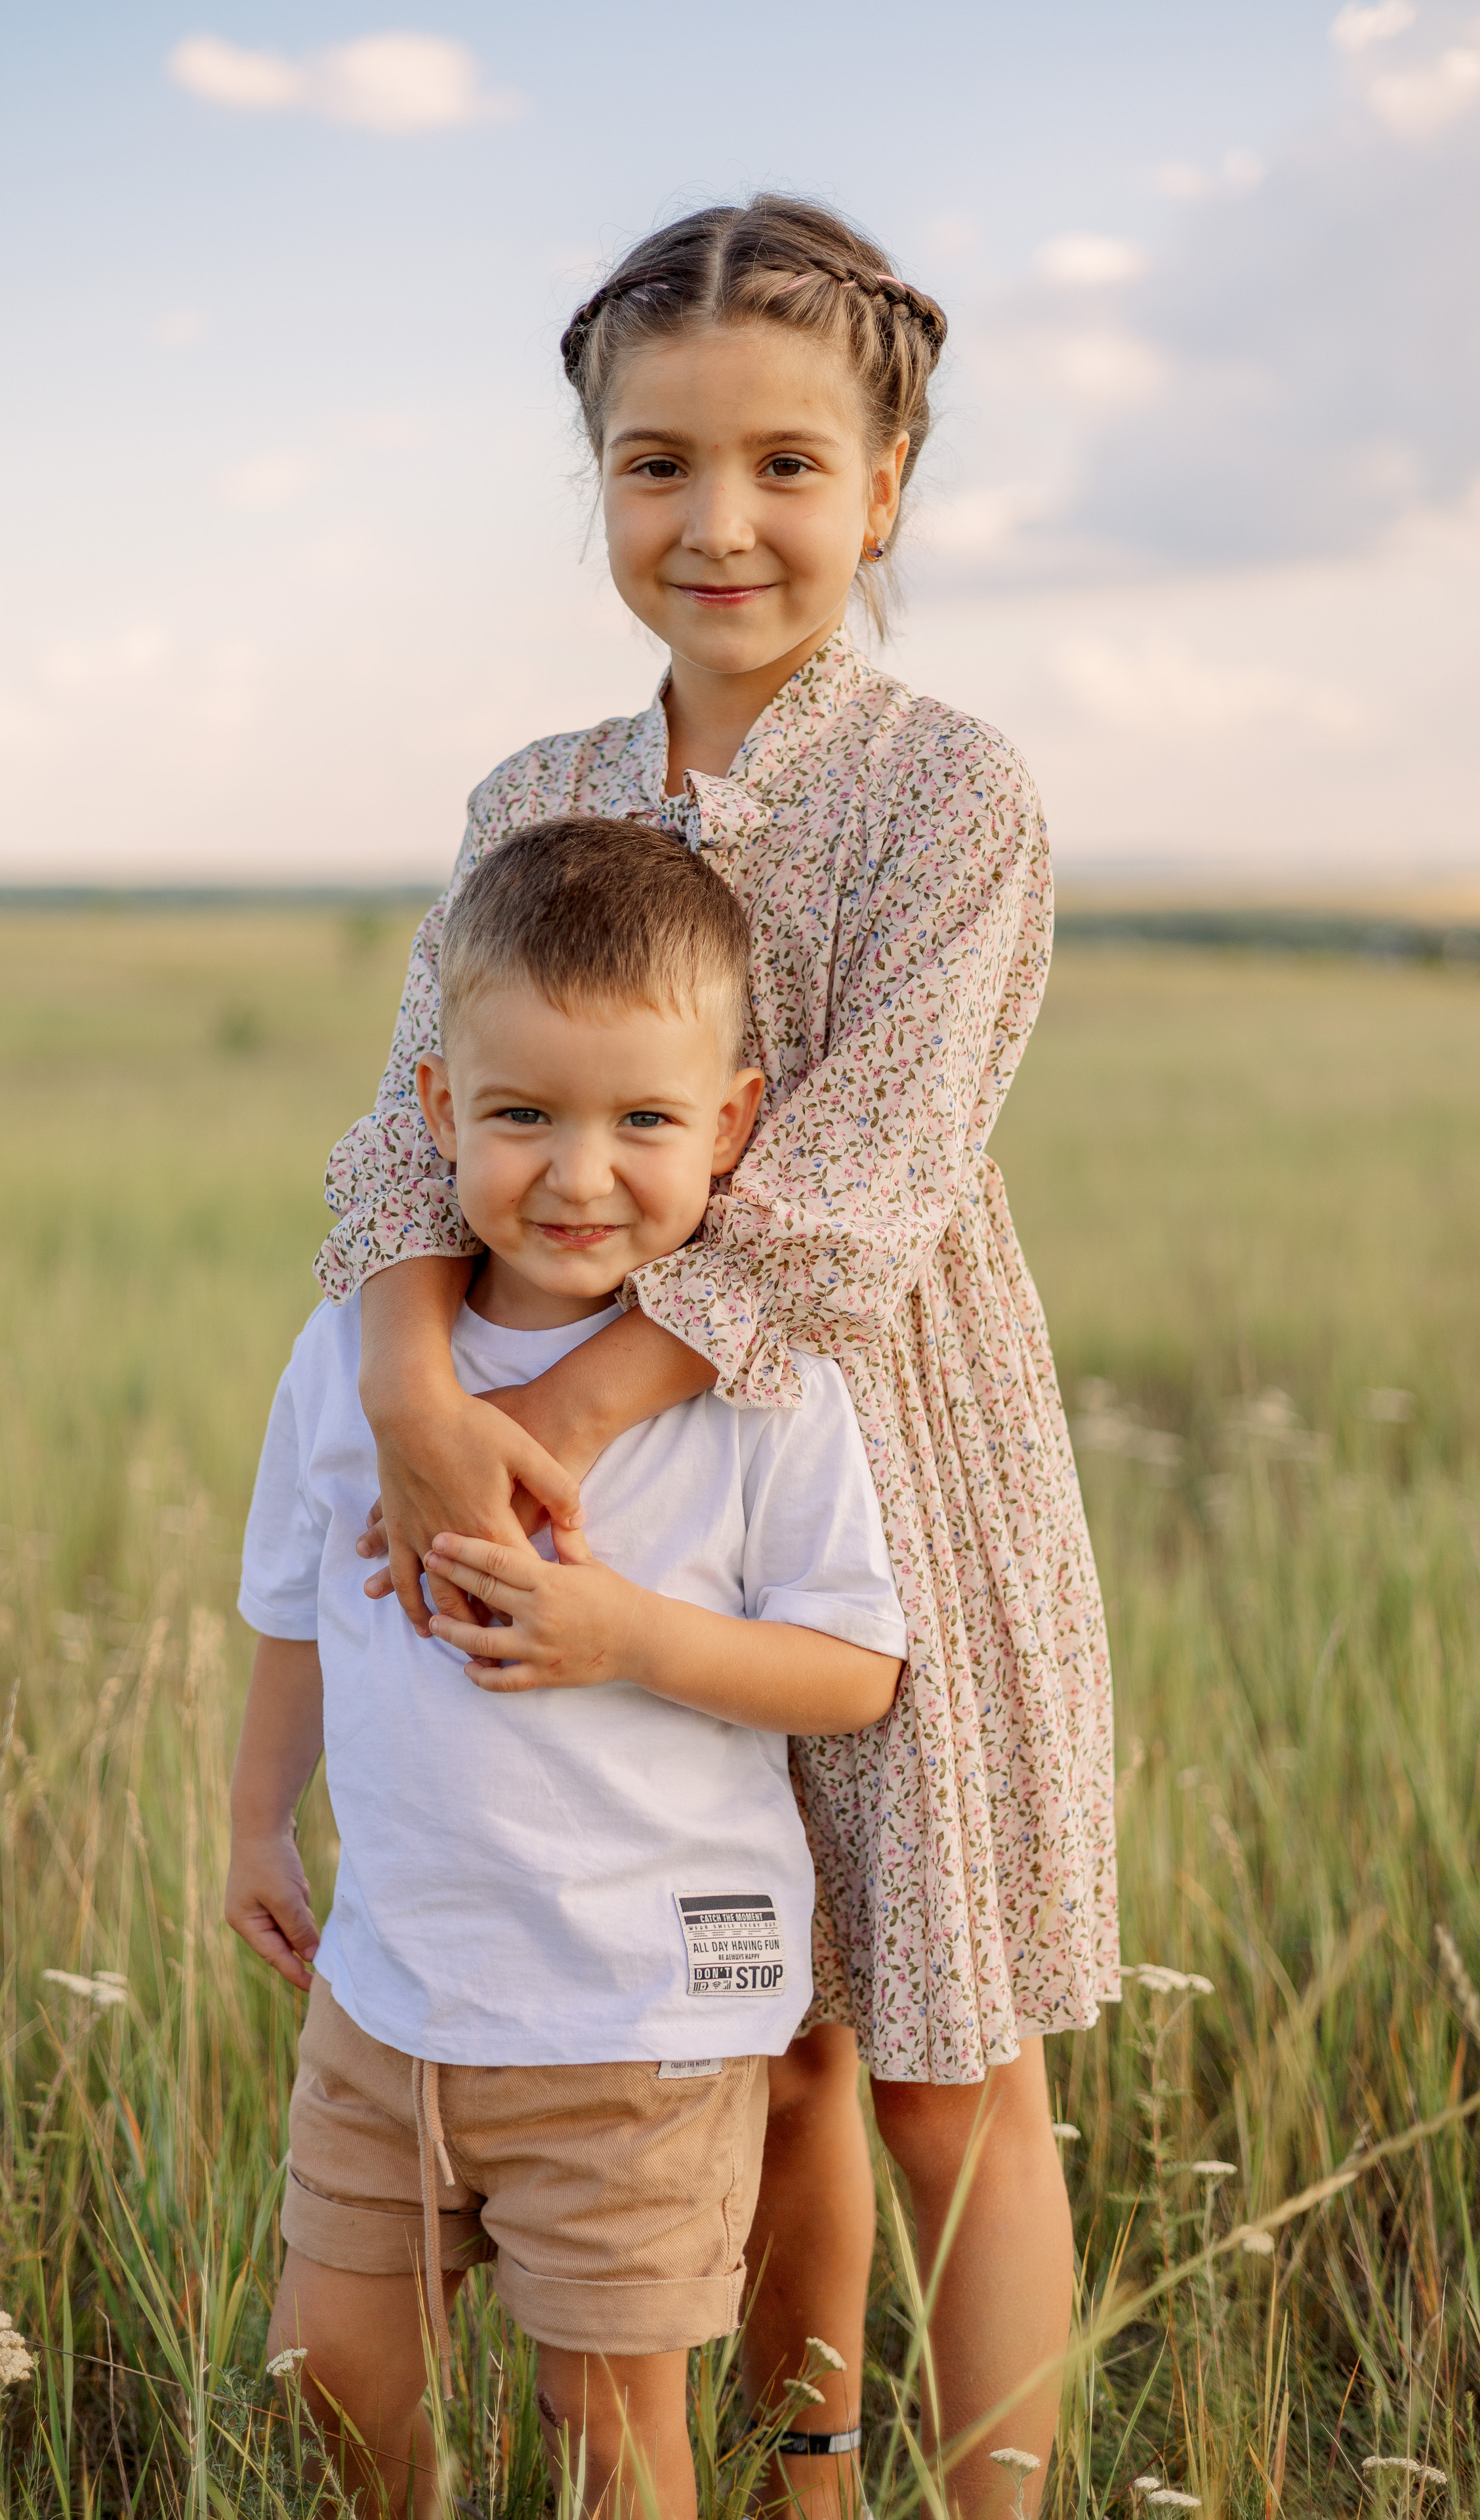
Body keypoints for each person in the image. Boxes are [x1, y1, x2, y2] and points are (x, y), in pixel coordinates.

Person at [318, 194, 1121, 2519]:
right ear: (598, 486)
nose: (721, 520)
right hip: (557, 1501)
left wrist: (536, 1422)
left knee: (943, 2067)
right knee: (742, 2056)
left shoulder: (952, 796)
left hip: (892, 1466)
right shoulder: (527, 800)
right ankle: (805, 2484)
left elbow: (858, 1186)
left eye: (786, 464)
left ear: (885, 490)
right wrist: (410, 1402)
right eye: (657, 464)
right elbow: (402, 1141)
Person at [228, 816, 909, 2520]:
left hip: (637, 2020)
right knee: (331, 2370)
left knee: (615, 2437)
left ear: (732, 1127)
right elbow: (303, 1600)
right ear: (442, 1113)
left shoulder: (761, 1395)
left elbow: (852, 1675)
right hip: (391, 1995)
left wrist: (629, 1637)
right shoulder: (358, 1358)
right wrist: (256, 1825)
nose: (580, 1172)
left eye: (645, 1122)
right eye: (523, 1114)